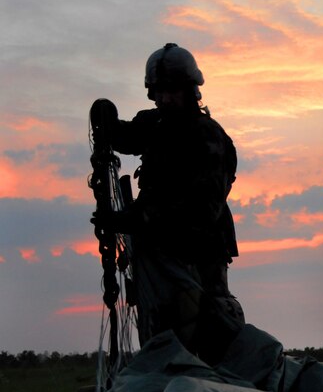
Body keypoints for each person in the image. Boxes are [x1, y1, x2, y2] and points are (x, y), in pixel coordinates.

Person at [90, 43, 244, 365]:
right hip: (158, 254)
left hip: (199, 254)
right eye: (158, 91)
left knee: (210, 333)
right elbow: (125, 137)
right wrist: (105, 116)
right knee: (162, 336)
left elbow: (202, 212)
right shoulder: (156, 125)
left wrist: (138, 220)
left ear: (190, 91)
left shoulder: (208, 138)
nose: (164, 98)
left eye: (172, 90)